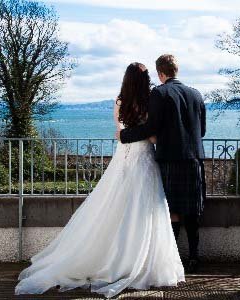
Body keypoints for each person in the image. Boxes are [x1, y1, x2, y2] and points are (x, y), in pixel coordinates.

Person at [15, 62, 185, 299]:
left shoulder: (119, 102)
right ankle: (141, 261)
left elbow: (119, 133)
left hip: (123, 159)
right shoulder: (150, 101)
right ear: (146, 80)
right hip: (145, 159)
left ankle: (111, 258)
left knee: (111, 207)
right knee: (145, 210)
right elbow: (153, 137)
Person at [117, 54, 206, 273]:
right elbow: (201, 130)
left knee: (173, 210)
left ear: (160, 73)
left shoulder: (160, 92)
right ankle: (194, 258)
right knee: (193, 211)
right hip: (194, 160)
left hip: (170, 160)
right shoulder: (196, 94)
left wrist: (125, 135)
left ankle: (174, 259)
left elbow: (151, 128)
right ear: (177, 70)